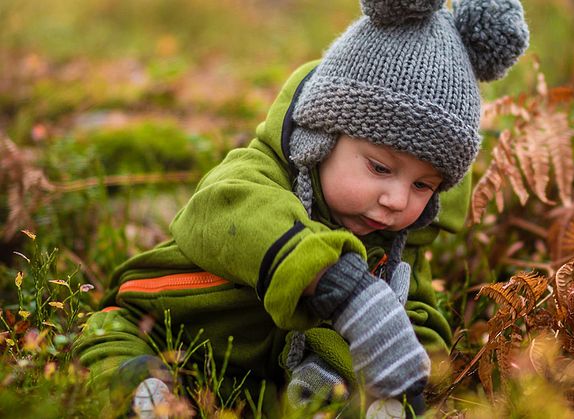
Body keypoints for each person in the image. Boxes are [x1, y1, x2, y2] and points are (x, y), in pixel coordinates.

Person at [73, 0, 528, 416]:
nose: (396, 200)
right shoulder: (257, 174)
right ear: (321, 136)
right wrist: (335, 280)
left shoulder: (396, 245)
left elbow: (418, 316)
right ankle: (141, 392)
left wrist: (408, 368)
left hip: (265, 381)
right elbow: (221, 212)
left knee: (345, 394)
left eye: (423, 185)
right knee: (111, 342)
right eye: (379, 168)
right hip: (165, 321)